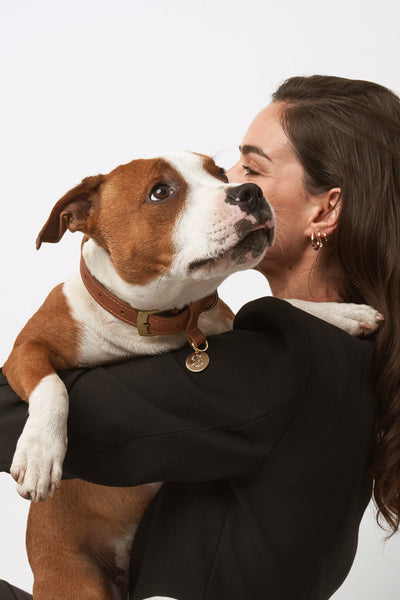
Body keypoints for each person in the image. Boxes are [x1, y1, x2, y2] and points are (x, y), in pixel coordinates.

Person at [0, 74, 399, 599]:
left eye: (252, 169)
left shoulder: (284, 358)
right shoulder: (343, 351)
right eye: (227, 168)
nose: (229, 186)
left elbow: (16, 418)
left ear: (324, 209)